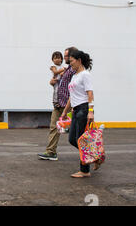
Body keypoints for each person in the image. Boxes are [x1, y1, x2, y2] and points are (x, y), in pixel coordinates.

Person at [60, 50, 96, 178]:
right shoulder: (75, 76)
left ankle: (85, 170)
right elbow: (72, 95)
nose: (70, 64)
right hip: (75, 110)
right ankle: (93, 156)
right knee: (72, 140)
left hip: (84, 109)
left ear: (79, 60)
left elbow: (90, 94)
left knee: (80, 140)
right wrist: (65, 111)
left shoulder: (85, 75)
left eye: (72, 61)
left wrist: (91, 112)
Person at [38, 47, 77, 161]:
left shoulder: (74, 70)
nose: (63, 58)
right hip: (58, 104)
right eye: (63, 56)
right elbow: (60, 83)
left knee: (77, 132)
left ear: (72, 57)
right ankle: (51, 152)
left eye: (65, 56)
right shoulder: (66, 70)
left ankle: (91, 152)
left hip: (68, 106)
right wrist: (52, 83)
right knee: (54, 128)